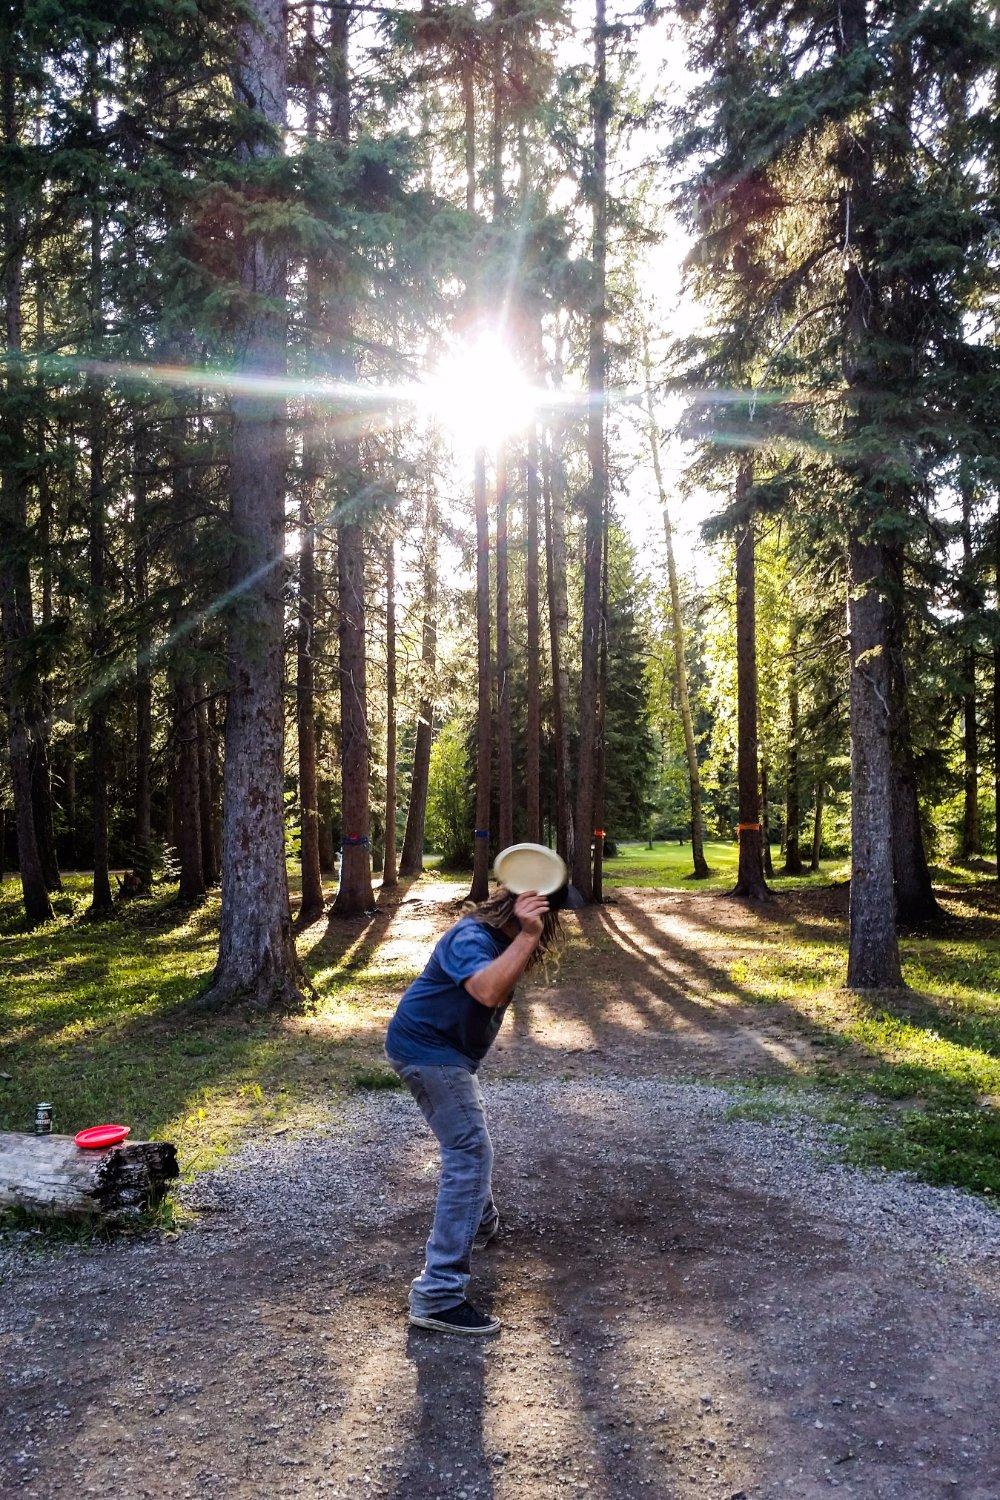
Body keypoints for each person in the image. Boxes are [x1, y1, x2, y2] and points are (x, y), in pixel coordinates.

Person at [385, 882, 574, 1336]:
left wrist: (525, 937)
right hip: (428, 1051)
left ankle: (480, 1222)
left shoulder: (502, 939)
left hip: (442, 1053)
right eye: (543, 916)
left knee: (467, 1139)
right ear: (519, 903)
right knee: (468, 1150)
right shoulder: (472, 936)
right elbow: (485, 991)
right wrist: (529, 935)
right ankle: (438, 1295)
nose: (546, 928)